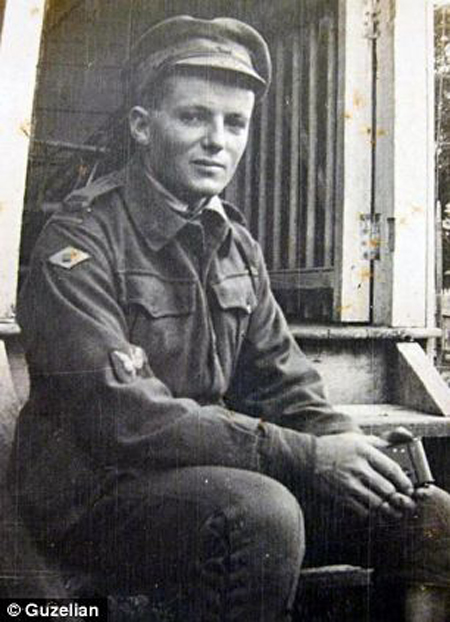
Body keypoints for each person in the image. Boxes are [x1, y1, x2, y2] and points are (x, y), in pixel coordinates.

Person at [8, 15, 450, 622]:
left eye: (234, 123)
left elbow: (283, 383)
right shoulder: (81, 239)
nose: (217, 140)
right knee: (260, 514)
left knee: (427, 519)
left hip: (209, 476)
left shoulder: (235, 244)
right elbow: (124, 418)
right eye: (194, 117)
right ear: (142, 126)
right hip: (93, 498)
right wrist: (306, 456)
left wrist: (344, 442)